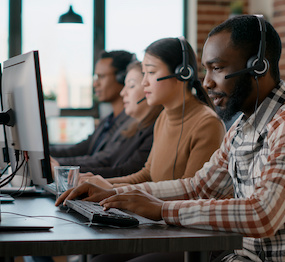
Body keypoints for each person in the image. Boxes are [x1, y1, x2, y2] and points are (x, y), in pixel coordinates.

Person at [56, 15, 285, 261]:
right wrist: (116, 193)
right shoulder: (240, 128)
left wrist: (162, 209)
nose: (207, 82)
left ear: (258, 66)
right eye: (205, 70)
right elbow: (198, 187)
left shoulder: (280, 126)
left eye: (217, 68)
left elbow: (262, 215)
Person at [79, 37, 225, 188]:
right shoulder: (163, 118)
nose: (144, 82)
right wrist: (99, 184)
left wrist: (112, 190)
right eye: (144, 73)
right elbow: (147, 175)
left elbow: (190, 192)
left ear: (182, 73)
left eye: (151, 72)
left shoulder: (207, 124)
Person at [50, 50, 136, 172]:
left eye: (101, 76)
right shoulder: (107, 121)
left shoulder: (133, 123)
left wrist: (57, 164)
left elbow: (103, 160)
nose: (95, 84)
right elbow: (76, 150)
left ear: (122, 77)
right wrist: (40, 154)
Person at [77, 60, 163, 180]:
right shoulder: (132, 128)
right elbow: (110, 162)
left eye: (131, 86)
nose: (123, 93)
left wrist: (71, 173)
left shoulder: (155, 129)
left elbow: (125, 171)